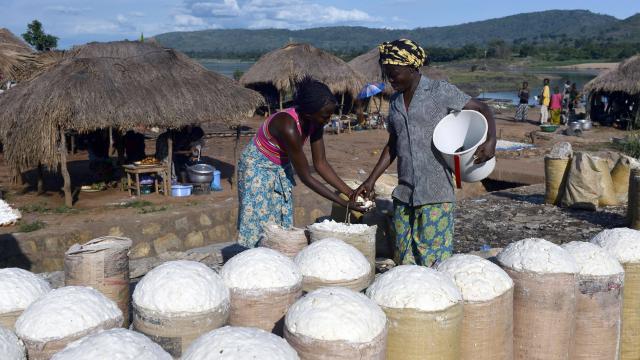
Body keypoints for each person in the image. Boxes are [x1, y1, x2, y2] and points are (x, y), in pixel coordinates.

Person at [353, 39, 496, 267]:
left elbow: (482, 108)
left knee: (433, 263)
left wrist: (491, 141)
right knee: (405, 261)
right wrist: (370, 181)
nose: (390, 79)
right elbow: (393, 145)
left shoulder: (440, 91)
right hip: (404, 194)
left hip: (435, 194)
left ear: (413, 68)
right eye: (387, 74)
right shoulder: (396, 101)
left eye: (395, 73)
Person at [237, 76, 364, 248]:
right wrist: (343, 203)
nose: (328, 120)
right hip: (257, 169)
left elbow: (321, 164)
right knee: (258, 225)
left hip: (279, 167)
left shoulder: (315, 122)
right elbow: (306, 177)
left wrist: (350, 192)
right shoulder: (287, 126)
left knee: (280, 226)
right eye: (325, 116)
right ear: (308, 114)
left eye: (330, 115)